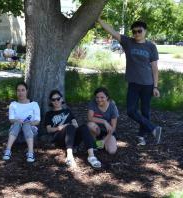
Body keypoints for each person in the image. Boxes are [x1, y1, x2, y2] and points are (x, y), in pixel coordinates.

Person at [97, 18, 162, 146]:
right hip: (133, 84)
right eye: (134, 32)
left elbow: (154, 68)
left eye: (139, 31)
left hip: (148, 85)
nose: (136, 34)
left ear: (145, 31)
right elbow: (113, 32)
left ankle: (142, 136)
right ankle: (154, 128)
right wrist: (99, 20)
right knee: (131, 111)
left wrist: (155, 86)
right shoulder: (128, 42)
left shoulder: (151, 46)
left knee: (145, 111)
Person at [45, 90, 101, 168]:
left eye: (58, 99)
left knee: (84, 127)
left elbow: (76, 125)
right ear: (51, 102)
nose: (56, 101)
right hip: (59, 138)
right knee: (69, 127)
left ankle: (91, 156)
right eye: (53, 100)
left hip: (72, 137)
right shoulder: (49, 114)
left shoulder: (68, 111)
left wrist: (72, 127)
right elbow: (48, 129)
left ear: (61, 99)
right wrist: (59, 127)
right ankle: (70, 156)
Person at [2, 82, 40, 163]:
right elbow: (11, 120)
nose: (20, 93)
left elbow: (37, 121)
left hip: (31, 133)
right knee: (17, 123)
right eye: (18, 90)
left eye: (23, 90)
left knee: (26, 124)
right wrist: (18, 121)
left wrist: (29, 123)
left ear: (27, 91)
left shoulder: (34, 104)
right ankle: (8, 151)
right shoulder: (13, 104)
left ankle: (30, 153)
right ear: (16, 92)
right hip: (16, 134)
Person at [87, 88, 119, 155]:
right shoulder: (92, 103)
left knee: (112, 151)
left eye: (102, 97)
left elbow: (113, 127)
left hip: (108, 132)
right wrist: (104, 122)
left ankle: (102, 142)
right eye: (97, 97)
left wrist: (104, 141)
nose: (99, 100)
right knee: (90, 125)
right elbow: (90, 118)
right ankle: (94, 143)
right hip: (97, 130)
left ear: (107, 97)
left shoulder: (112, 106)